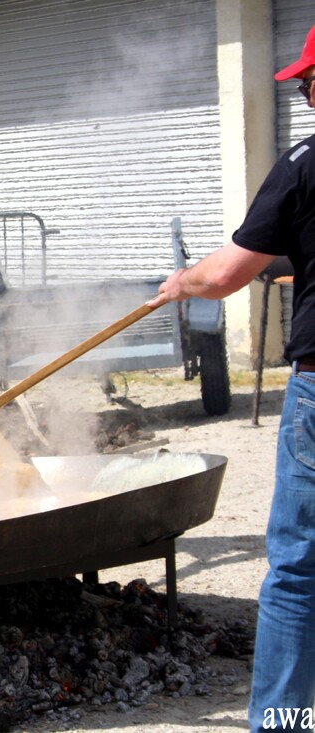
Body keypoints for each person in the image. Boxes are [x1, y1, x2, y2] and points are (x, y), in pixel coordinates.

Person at [149, 24, 315, 733]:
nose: (306, 96)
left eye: (309, 84)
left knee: (299, 567)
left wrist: (181, 283)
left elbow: (224, 274)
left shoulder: (305, 164)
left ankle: (283, 721)